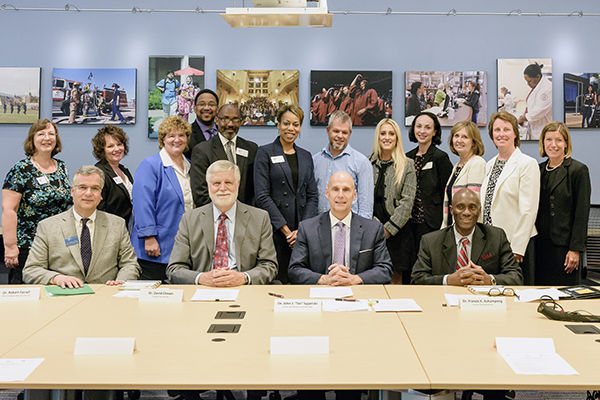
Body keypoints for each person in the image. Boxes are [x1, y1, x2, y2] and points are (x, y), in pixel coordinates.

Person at [22, 166, 140, 287]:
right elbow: (31, 270)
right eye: (83, 187)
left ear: (101, 194)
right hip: (63, 297)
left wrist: (121, 281)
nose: (88, 193)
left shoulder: (117, 224)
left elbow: (130, 264)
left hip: (105, 296)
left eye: (95, 188)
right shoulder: (48, 227)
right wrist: (56, 278)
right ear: (72, 191)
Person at [167, 160, 277, 286]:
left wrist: (244, 277)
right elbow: (174, 269)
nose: (222, 188)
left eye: (228, 183)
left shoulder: (260, 218)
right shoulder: (190, 219)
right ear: (208, 186)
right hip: (203, 289)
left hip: (243, 288)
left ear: (238, 184)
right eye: (216, 183)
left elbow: (269, 265)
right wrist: (201, 278)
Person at [288, 171, 392, 286]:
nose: (340, 195)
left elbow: (385, 269)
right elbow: (295, 270)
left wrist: (354, 279)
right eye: (335, 189)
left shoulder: (373, 229)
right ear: (327, 193)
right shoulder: (307, 228)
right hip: (321, 293)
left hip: (358, 293)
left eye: (346, 190)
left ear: (354, 195)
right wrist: (324, 279)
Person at [254, 105, 319, 283]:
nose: (291, 128)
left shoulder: (306, 156)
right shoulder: (264, 153)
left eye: (296, 124)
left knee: (301, 280)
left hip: (302, 232)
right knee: (278, 280)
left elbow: (312, 195)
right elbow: (262, 196)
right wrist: (286, 231)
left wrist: (302, 230)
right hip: (275, 230)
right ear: (278, 124)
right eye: (286, 123)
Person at [2, 119, 72, 284]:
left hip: (58, 246)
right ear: (32, 139)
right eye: (41, 134)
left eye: (51, 134)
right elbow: (9, 210)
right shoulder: (21, 169)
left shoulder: (62, 167)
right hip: (29, 246)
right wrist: (11, 247)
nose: (46, 138)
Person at [411, 189, 522, 286]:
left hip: (483, 304)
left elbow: (516, 277)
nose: (466, 213)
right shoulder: (430, 241)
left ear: (479, 211)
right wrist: (448, 280)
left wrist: (490, 280)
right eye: (460, 207)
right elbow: (417, 279)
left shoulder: (496, 237)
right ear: (451, 210)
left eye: (472, 207)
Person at [481, 111, 540, 284]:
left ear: (515, 133)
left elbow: (528, 210)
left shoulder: (527, 164)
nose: (501, 134)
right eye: (497, 130)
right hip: (491, 243)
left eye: (506, 129)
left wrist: (518, 248)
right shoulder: (489, 164)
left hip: (515, 244)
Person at [132, 116, 193, 281]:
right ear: (163, 139)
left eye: (181, 135)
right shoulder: (150, 165)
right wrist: (149, 237)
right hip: (156, 247)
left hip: (183, 247)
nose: (177, 139)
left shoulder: (190, 166)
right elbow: (142, 204)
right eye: (171, 135)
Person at [535, 122, 591, 286]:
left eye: (559, 140)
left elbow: (582, 213)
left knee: (564, 296)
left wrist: (575, 249)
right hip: (539, 246)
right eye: (549, 140)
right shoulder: (538, 170)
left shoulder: (578, 170)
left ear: (566, 143)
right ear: (543, 143)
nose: (553, 145)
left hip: (564, 249)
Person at [370, 118, 416, 284]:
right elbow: (364, 199)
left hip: (399, 233)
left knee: (396, 282)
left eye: (391, 134)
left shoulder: (407, 165)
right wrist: (376, 228)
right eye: (383, 133)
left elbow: (407, 202)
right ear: (378, 137)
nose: (387, 137)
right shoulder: (368, 163)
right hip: (372, 232)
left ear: (397, 138)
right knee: (373, 279)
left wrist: (388, 230)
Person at [406, 111, 453, 270]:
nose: (422, 131)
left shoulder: (440, 158)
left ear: (434, 132)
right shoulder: (407, 157)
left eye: (427, 127)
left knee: (429, 267)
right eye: (418, 126)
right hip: (408, 224)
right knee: (410, 267)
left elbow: (448, 193)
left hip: (431, 224)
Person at [190, 104, 257, 207]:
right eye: (225, 119)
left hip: (245, 217)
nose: (230, 124)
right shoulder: (202, 151)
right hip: (215, 218)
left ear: (241, 122)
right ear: (217, 121)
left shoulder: (252, 149)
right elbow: (201, 194)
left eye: (235, 120)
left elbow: (255, 189)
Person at [313, 110, 373, 219]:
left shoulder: (362, 163)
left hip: (350, 229)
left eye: (344, 132)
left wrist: (360, 233)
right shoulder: (315, 161)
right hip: (319, 228)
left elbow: (366, 208)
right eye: (336, 131)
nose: (340, 136)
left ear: (350, 134)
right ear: (328, 131)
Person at [442, 120, 486, 228]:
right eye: (456, 136)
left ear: (474, 142)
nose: (459, 140)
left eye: (465, 137)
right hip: (453, 227)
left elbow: (473, 206)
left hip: (466, 230)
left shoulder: (477, 163)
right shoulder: (458, 166)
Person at [92, 125, 134, 227]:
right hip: (108, 230)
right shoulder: (98, 173)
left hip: (126, 228)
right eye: (110, 146)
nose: (117, 149)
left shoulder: (123, 170)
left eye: (119, 144)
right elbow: (98, 209)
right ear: (102, 150)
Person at [517, 63, 552, 140]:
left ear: (538, 76)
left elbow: (539, 111)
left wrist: (522, 118)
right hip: (535, 129)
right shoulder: (536, 88)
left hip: (543, 129)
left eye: (529, 81)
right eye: (526, 81)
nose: (528, 84)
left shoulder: (547, 88)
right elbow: (531, 107)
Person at [185, 88, 219, 159]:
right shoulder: (186, 134)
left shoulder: (223, 132)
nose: (206, 108)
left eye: (211, 104)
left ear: (217, 109)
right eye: (202, 104)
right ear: (195, 108)